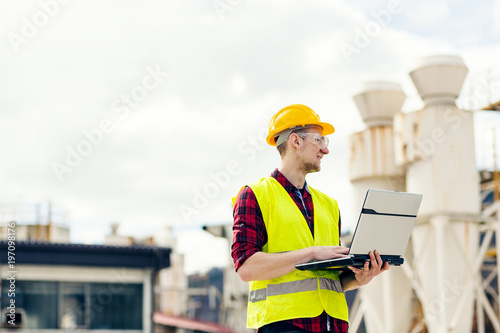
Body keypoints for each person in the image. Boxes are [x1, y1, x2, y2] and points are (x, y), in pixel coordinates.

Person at [231, 104, 389, 333]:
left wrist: (361, 277)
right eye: (319, 141)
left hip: (333, 325)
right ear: (296, 141)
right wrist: (312, 253)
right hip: (284, 326)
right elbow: (246, 268)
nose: (325, 150)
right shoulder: (255, 195)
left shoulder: (329, 205)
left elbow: (331, 280)